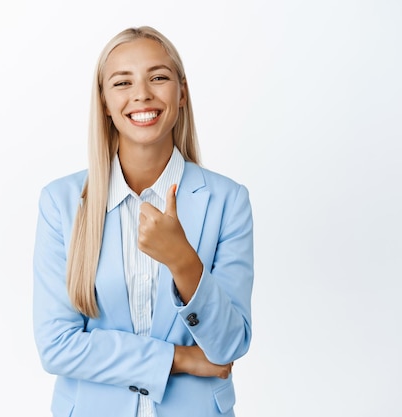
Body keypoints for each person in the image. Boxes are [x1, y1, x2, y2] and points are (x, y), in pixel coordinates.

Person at [32, 26, 254, 417]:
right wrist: (178, 359)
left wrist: (182, 260)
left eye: (158, 77)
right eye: (122, 82)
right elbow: (57, 346)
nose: (142, 94)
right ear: (103, 101)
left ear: (181, 93)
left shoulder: (228, 201)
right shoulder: (61, 203)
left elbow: (228, 346)